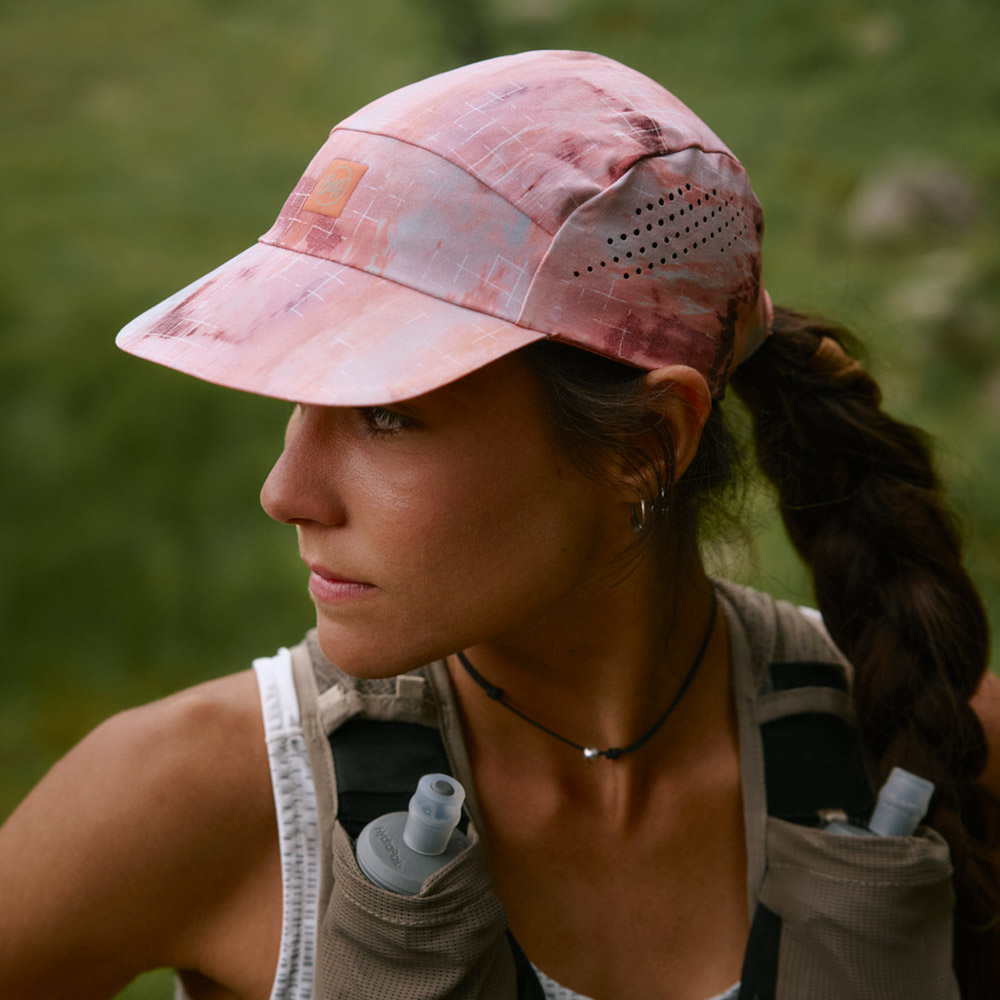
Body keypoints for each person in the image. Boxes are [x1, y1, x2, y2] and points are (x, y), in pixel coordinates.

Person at [2, 49, 999, 1000]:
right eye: (302, 400)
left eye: (385, 414)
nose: (286, 491)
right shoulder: (198, 796)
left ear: (646, 441)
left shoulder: (937, 737)